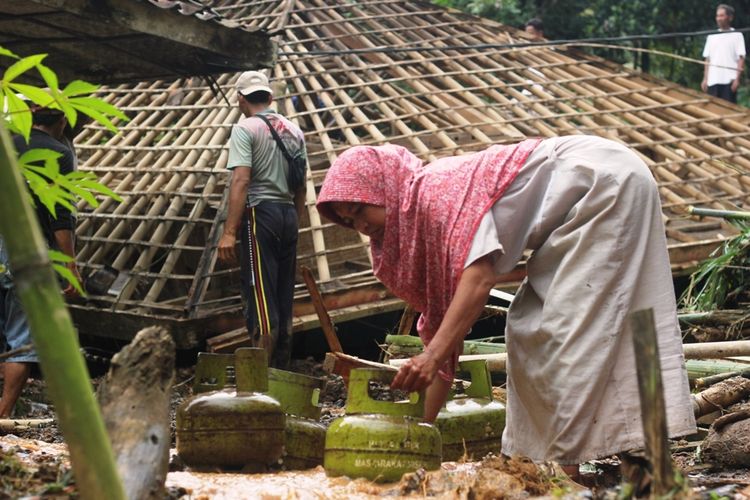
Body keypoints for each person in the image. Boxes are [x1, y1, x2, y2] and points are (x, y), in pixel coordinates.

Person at [316, 135, 696, 474]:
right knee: (569, 324)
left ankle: (566, 469)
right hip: (602, 185)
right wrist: (417, 436)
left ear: (383, 189)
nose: (360, 227)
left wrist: (430, 357)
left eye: (361, 210)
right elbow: (444, 348)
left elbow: (479, 280)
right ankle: (640, 464)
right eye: (349, 221)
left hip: (601, 182)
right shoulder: (422, 214)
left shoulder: (432, 194)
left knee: (563, 328)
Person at [217, 71, 307, 370]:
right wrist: (295, 221)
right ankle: (281, 369)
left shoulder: (246, 129)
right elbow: (301, 186)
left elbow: (241, 180)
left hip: (261, 214)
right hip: (288, 214)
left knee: (260, 293)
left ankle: (261, 377)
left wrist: (229, 232)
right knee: (284, 293)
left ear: (241, 99)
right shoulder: (295, 131)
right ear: (270, 97)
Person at [1, 106, 80, 417]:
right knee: (21, 336)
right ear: (61, 121)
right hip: (25, 248)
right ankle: (3, 414)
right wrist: (70, 266)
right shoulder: (58, 152)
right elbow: (61, 217)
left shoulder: (6, 142)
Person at [702, 4, 746, 103]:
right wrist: (705, 79)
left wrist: (737, 79)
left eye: (722, 16)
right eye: (717, 16)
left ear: (730, 17)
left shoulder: (737, 35)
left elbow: (741, 58)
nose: (719, 18)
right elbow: (707, 59)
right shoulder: (711, 37)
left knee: (728, 110)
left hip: (729, 80)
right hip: (713, 81)